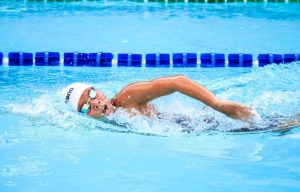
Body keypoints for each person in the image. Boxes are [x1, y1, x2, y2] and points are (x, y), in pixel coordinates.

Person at [63, 75, 260, 123]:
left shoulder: (127, 97)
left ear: (100, 92)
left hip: (200, 123)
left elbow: (177, 82)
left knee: (272, 126)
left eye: (91, 94)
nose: (95, 102)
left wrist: (220, 105)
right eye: (85, 106)